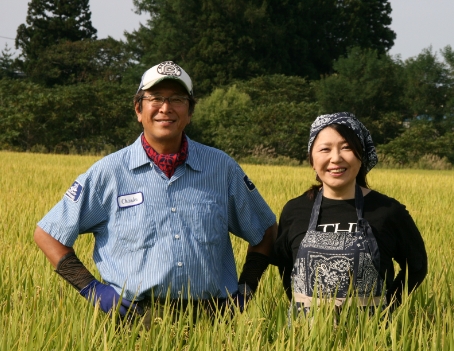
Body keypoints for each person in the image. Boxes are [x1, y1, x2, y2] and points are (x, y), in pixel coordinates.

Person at [34, 61, 277, 325]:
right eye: (156, 98)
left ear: (190, 111)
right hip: (134, 321)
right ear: (139, 109)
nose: (165, 108)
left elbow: (265, 230)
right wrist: (93, 290)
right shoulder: (110, 172)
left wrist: (246, 288)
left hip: (212, 322)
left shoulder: (221, 168)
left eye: (177, 99)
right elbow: (48, 234)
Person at [273, 112, 427, 315]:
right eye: (325, 149)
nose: (335, 158)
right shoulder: (295, 211)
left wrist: (388, 305)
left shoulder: (388, 211)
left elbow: (417, 266)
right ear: (312, 159)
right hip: (304, 337)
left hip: (372, 338)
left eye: (346, 147)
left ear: (361, 156)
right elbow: (286, 269)